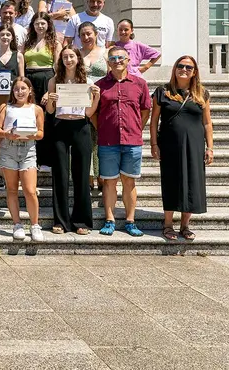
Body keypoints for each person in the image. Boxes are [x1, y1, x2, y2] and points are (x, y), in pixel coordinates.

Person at [150, 56, 213, 242]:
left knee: (193, 182)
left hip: (195, 145)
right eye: (180, 66)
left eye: (188, 67)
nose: (184, 69)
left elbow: (207, 123)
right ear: (175, 68)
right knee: (171, 181)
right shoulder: (163, 91)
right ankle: (168, 224)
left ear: (194, 72)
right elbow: (154, 121)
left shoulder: (202, 93)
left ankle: (185, 225)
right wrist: (154, 144)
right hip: (170, 144)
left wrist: (210, 147)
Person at [96, 45, 152, 237]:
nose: (117, 61)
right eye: (113, 58)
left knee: (129, 182)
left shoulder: (140, 84)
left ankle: (130, 220)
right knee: (109, 182)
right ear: (108, 62)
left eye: (121, 58)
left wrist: (135, 128)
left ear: (128, 60)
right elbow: (94, 114)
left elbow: (145, 111)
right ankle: (110, 219)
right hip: (107, 141)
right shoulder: (100, 85)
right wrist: (103, 129)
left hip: (132, 141)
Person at [44, 46, 99, 235]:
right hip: (60, 126)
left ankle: (81, 221)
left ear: (78, 59)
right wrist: (51, 100)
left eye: (71, 56)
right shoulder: (54, 81)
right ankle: (60, 221)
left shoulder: (87, 81)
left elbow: (89, 113)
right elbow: (50, 111)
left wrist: (97, 97)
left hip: (80, 126)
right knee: (60, 174)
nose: (68, 60)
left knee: (82, 175)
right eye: (65, 57)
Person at [0, 77, 46, 242]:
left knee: (30, 190)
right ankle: (17, 224)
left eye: (23, 88)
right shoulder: (5, 107)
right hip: (9, 149)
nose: (20, 92)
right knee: (12, 189)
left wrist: (31, 134)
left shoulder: (36, 109)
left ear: (30, 90)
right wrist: (7, 134)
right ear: (12, 91)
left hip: (28, 150)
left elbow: (41, 133)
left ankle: (35, 225)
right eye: (16, 89)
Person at [23, 12, 60, 170]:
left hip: (47, 79)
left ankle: (46, 160)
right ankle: (32, 157)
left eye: (43, 23)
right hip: (30, 79)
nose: (40, 26)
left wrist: (49, 90)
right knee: (30, 118)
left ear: (48, 25)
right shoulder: (28, 42)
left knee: (45, 120)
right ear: (33, 25)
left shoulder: (54, 43)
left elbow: (58, 69)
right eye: (37, 23)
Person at [79, 21, 108, 189]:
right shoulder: (77, 53)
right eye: (82, 34)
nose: (86, 37)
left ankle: (102, 176)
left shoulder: (106, 52)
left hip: (102, 100)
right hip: (82, 102)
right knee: (86, 139)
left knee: (100, 138)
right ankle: (88, 176)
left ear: (96, 34)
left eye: (89, 33)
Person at [0, 24, 25, 117]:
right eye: (2, 34)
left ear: (12, 38)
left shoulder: (19, 56)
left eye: (8, 35)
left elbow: (22, 79)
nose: (5, 37)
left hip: (13, 97)